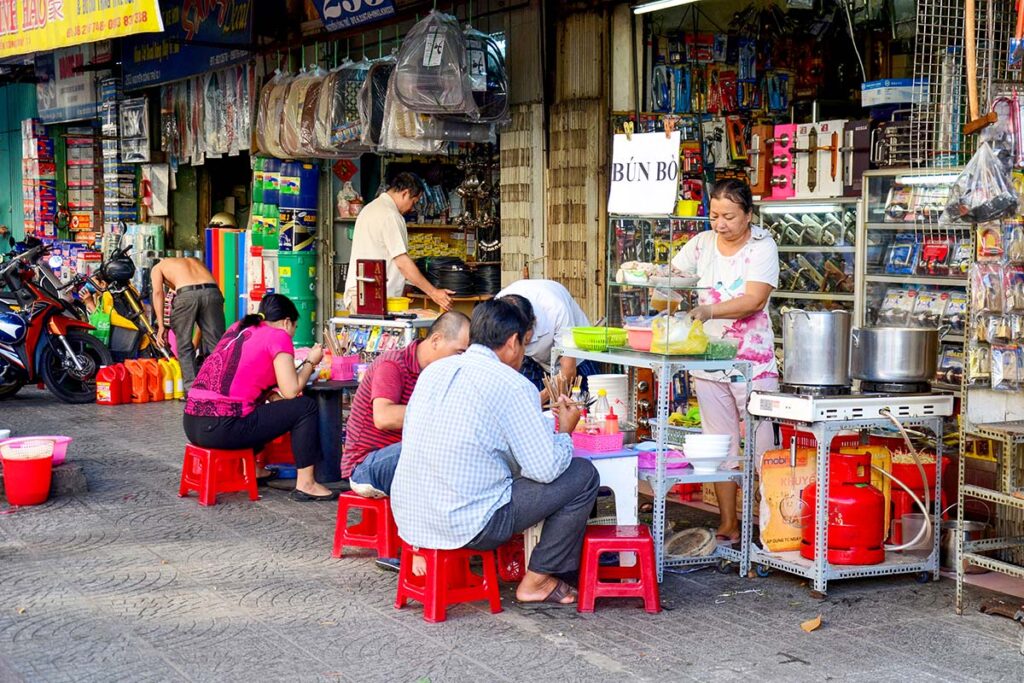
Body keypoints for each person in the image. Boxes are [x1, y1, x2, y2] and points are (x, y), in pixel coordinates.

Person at [391, 299, 600, 606]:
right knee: (582, 475)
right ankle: (538, 579)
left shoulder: (434, 371)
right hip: (468, 523)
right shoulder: (513, 385)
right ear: (514, 342)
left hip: (411, 517)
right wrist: (565, 431)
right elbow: (543, 469)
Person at [670, 178, 779, 544]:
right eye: (714, 215)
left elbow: (754, 300)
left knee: (762, 449)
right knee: (720, 446)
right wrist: (660, 287)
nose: (720, 224)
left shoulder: (762, 246)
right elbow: (672, 280)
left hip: (753, 363)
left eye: (729, 216)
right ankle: (729, 523)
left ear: (748, 214)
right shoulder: (701, 244)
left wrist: (707, 309)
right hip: (708, 360)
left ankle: (768, 526)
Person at [182, 293, 337, 502]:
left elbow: (241, 377)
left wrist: (270, 394)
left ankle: (255, 469)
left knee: (257, 406)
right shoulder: (279, 336)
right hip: (222, 427)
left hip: (192, 423)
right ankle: (306, 483)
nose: (291, 334)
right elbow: (291, 390)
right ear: (286, 322)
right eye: (294, 329)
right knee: (305, 407)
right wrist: (311, 361)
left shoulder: (238, 328)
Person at [342, 310, 471, 498]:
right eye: (459, 352)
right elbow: (384, 417)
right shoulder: (392, 364)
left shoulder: (442, 374)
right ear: (436, 340)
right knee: (437, 449)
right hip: (366, 468)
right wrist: (443, 413)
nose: (462, 360)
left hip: (405, 457)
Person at [343, 172, 453, 312]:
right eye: (413, 201)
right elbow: (402, 262)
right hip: (374, 296)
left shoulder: (370, 209)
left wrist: (404, 283)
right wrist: (433, 293)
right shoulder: (390, 215)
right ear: (405, 193)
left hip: (360, 294)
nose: (412, 208)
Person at [496, 279, 596, 401]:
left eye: (524, 341)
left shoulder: (556, 310)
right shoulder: (498, 311)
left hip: (575, 360)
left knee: (583, 405)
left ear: (534, 323)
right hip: (534, 360)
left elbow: (568, 372)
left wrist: (538, 400)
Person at [151, 257, 225, 390]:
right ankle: (221, 386)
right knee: (217, 344)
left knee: (184, 345)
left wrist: (161, 325)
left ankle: (192, 390)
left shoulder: (158, 267)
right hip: (212, 291)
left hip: (186, 295)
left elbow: (157, 293)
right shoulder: (193, 260)